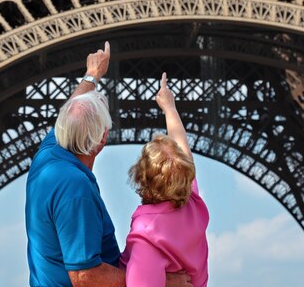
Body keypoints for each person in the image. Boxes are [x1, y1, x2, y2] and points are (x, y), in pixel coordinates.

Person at [25, 43, 194, 287]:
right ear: (102, 139)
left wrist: (91, 76)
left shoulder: (48, 157)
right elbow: (85, 276)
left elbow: (72, 110)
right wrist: (161, 282)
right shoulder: (75, 189)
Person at [120, 73, 209, 287]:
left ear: (142, 176)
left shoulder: (147, 234)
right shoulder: (192, 203)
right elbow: (181, 145)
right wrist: (169, 108)